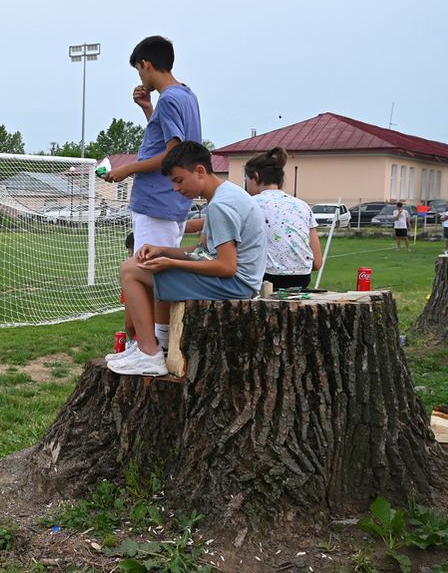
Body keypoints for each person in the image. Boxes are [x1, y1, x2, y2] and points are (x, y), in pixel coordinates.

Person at [108, 142, 266, 376]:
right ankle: (154, 346)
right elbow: (204, 252)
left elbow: (226, 266)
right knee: (142, 265)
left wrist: (170, 263)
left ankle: (148, 354)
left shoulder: (220, 206)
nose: (175, 188)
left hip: (235, 285)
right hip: (239, 282)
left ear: (200, 171)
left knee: (130, 270)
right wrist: (163, 251)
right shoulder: (226, 195)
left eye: (178, 180)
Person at [104, 35, 202, 354]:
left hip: (156, 201)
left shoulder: (170, 99)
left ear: (146, 64)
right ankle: (160, 342)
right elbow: (169, 141)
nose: (140, 79)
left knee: (146, 272)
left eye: (138, 71)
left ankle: (150, 348)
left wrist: (127, 169)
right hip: (171, 201)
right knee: (159, 270)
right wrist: (148, 110)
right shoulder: (186, 96)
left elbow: (173, 155)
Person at [243, 147, 321, 290]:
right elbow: (317, 263)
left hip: (266, 279)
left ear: (256, 176)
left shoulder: (249, 204)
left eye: (247, 179)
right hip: (301, 278)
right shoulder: (302, 206)